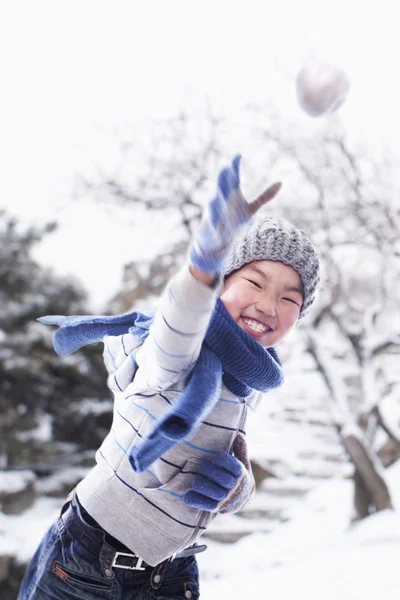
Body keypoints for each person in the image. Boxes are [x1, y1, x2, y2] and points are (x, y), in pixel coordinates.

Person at [18, 154, 320, 599]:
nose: (268, 304)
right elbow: (179, 323)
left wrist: (236, 487)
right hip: (87, 560)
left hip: (172, 571)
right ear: (221, 284)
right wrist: (203, 265)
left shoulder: (250, 376)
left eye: (290, 298)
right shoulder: (173, 349)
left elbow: (216, 448)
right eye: (254, 283)